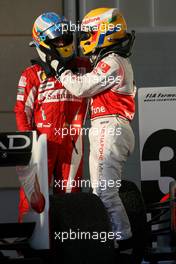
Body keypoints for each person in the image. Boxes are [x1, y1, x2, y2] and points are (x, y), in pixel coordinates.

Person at [56, 7, 136, 242]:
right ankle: (118, 240)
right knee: (102, 192)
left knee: (104, 192)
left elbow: (81, 87)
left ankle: (123, 242)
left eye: (90, 33)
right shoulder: (115, 60)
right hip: (110, 128)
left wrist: (60, 69)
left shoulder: (112, 61)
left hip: (109, 128)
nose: (85, 39)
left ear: (105, 33)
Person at [14, 12, 91, 222]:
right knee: (33, 199)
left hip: (73, 143)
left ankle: (69, 248)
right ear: (43, 42)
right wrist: (28, 143)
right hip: (42, 144)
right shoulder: (31, 74)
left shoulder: (85, 67)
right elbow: (22, 111)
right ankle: (29, 249)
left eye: (66, 38)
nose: (63, 43)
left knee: (71, 198)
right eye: (57, 40)